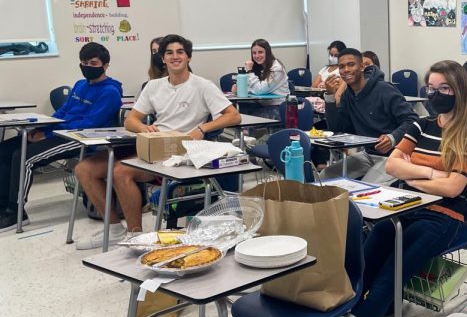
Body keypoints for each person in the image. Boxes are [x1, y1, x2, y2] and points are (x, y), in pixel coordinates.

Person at [339, 61, 467, 317]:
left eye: (444, 88)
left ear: (459, 90)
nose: (435, 94)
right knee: (360, 270)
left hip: (444, 218)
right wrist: (433, 173)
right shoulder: (422, 124)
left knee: (388, 280)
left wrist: (414, 175)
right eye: (431, 88)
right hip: (404, 207)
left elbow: (454, 188)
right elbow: (393, 165)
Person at [74, 34, 241, 249]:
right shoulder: (154, 86)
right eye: (169, 53)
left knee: (120, 171)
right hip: (152, 146)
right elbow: (131, 120)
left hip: (178, 152)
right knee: (83, 169)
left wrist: (203, 128)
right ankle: (115, 228)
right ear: (162, 58)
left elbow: (233, 116)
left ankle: (136, 236)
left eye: (180, 52)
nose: (175, 56)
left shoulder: (202, 85)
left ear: (188, 57)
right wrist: (144, 127)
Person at [0, 42, 122, 232]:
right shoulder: (80, 85)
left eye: (93, 63)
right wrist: (42, 127)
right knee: (5, 151)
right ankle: (3, 205)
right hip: (58, 131)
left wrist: (47, 133)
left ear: (105, 65)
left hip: (78, 138)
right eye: (84, 62)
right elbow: (63, 111)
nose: (87, 67)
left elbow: (89, 124)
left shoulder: (111, 92)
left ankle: (15, 212)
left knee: (25, 157)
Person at [322, 47, 416, 184]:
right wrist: (330, 97)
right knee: (325, 176)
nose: (346, 70)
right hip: (368, 154)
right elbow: (338, 128)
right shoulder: (348, 94)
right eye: (341, 66)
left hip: (394, 156)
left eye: (351, 64)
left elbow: (412, 120)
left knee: (367, 186)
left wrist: (392, 137)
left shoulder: (384, 89)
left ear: (362, 67)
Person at [232, 38, 289, 120]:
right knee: (235, 110)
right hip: (261, 104)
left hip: (278, 107)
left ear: (268, 52)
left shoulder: (277, 68)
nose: (257, 56)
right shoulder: (259, 66)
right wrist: (239, 88)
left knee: (247, 117)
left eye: (260, 52)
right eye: (254, 53)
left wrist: (250, 71)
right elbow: (253, 87)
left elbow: (259, 90)